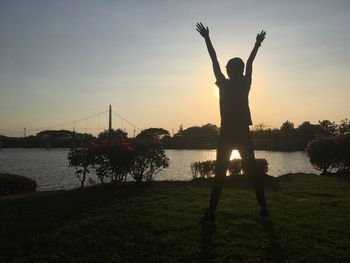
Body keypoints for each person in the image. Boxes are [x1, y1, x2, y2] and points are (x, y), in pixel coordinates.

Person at [196, 22, 269, 222]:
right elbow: (250, 62)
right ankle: (263, 209)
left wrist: (207, 38)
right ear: (241, 70)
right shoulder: (245, 83)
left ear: (229, 71)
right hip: (243, 133)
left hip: (227, 133)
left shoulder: (224, 84)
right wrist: (257, 44)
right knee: (253, 171)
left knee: (220, 174)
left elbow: (214, 60)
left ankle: (211, 213)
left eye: (228, 68)